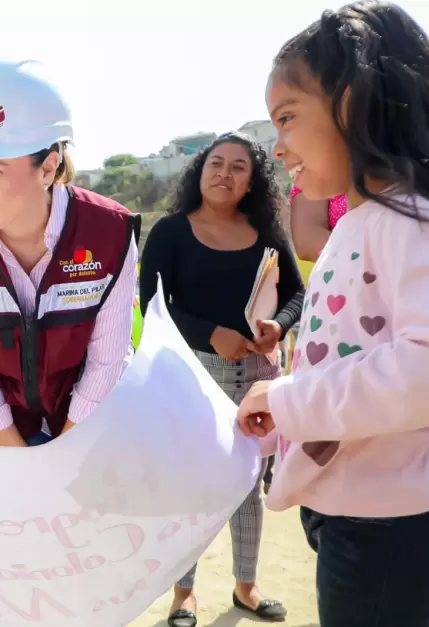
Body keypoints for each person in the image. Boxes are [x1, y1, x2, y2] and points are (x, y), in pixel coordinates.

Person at [237, 3, 429, 625]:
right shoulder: (362, 221)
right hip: (357, 514)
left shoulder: (408, 221)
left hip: (388, 526)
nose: (278, 146)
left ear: (353, 103)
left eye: (287, 118)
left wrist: (290, 402)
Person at [0, 60, 140, 447]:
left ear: (48, 168)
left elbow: (108, 360)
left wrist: (62, 454)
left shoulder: (110, 233)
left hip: (91, 429)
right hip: (3, 432)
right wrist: (21, 459)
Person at [140, 132, 301, 626]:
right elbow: (151, 304)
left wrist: (278, 327)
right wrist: (211, 333)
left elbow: (298, 294)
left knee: (248, 488)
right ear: (200, 170)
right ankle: (183, 593)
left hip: (255, 377)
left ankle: (245, 587)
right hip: (190, 376)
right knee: (189, 484)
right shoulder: (169, 232)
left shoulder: (269, 236)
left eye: (238, 167)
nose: (224, 173)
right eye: (216, 163)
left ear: (252, 182)